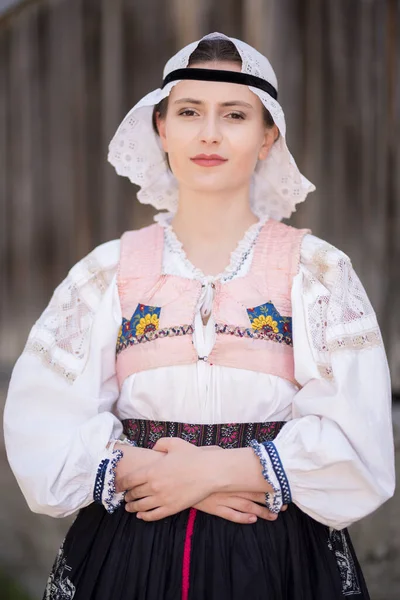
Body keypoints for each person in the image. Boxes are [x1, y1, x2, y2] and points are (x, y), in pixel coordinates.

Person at [3, 32, 395, 600]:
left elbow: (359, 446)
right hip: (132, 555)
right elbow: (43, 425)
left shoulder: (317, 273)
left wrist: (210, 473)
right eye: (189, 112)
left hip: (276, 555)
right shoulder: (106, 274)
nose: (209, 133)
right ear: (162, 129)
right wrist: (154, 472)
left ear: (267, 136)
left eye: (235, 114)